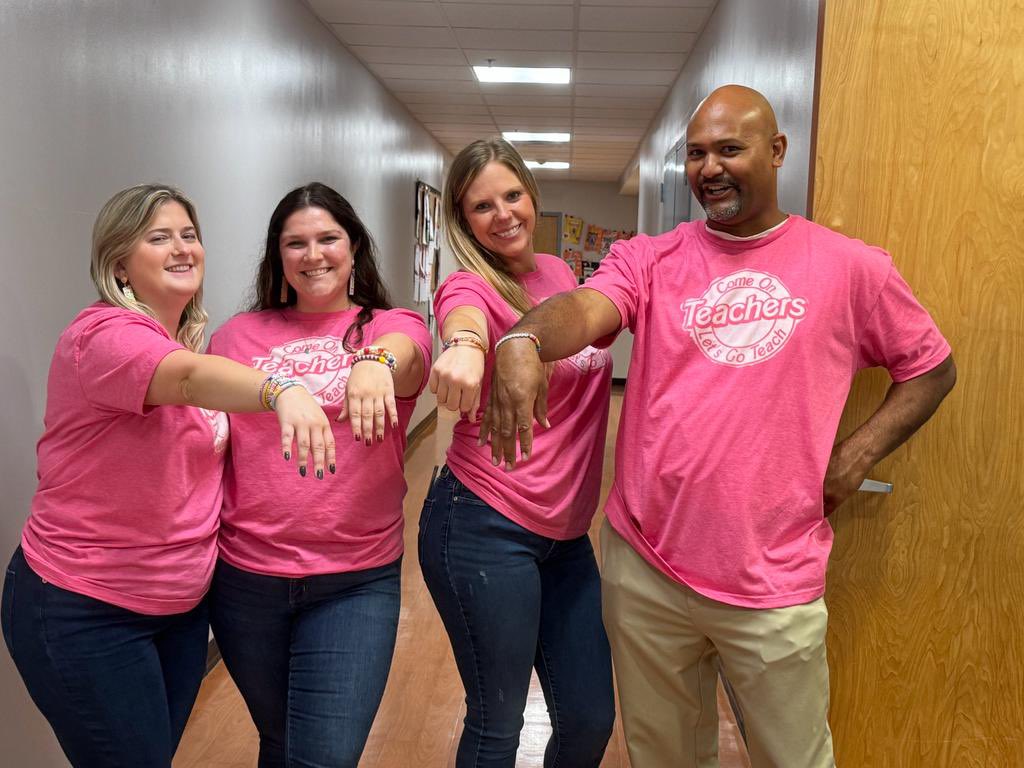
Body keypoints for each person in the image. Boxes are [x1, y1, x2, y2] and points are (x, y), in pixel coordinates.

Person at [483, 85, 957, 768]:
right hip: (646, 564)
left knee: (794, 758)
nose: (709, 169)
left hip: (773, 574)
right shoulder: (651, 258)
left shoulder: (852, 268)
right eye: (697, 154)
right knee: (664, 755)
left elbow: (931, 368)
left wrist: (856, 456)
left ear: (777, 150)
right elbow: (586, 308)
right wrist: (523, 339)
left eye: (729, 149)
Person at [1, 184, 333, 768]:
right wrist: (283, 390)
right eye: (159, 238)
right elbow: (184, 379)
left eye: (189, 235)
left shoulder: (184, 342)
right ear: (119, 265)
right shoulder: (102, 336)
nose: (182, 249)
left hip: (178, 609)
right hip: (86, 604)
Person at [206, 182, 431, 768]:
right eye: (295, 243)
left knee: (325, 755)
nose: (313, 255)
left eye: (328, 238)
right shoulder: (234, 337)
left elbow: (409, 352)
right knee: (280, 742)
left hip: (354, 580)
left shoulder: (390, 327)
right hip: (246, 579)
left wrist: (375, 363)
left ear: (354, 246)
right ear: (277, 256)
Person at [419, 138, 616, 768]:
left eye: (512, 195)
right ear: (463, 219)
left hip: (567, 537)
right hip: (484, 524)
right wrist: (466, 348)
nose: (503, 214)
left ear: (532, 195)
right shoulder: (468, 285)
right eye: (483, 206)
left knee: (588, 720)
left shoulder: (559, 275)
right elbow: (463, 320)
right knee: (497, 721)